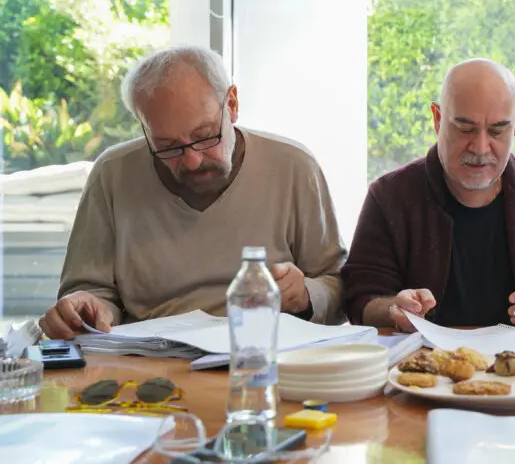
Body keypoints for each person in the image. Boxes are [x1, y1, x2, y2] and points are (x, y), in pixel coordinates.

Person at [40, 46, 347, 339]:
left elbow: (341, 287)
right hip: (148, 360)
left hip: (262, 352)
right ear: (144, 128)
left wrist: (306, 295)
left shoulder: (292, 167)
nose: (192, 161)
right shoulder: (113, 174)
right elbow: (90, 291)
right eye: (168, 146)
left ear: (232, 105)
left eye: (204, 136)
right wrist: (87, 309)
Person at [342, 58, 515, 332]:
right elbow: (358, 299)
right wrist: (393, 311)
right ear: (437, 119)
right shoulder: (390, 196)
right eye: (465, 129)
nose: (481, 148)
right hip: (422, 358)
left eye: (497, 131)